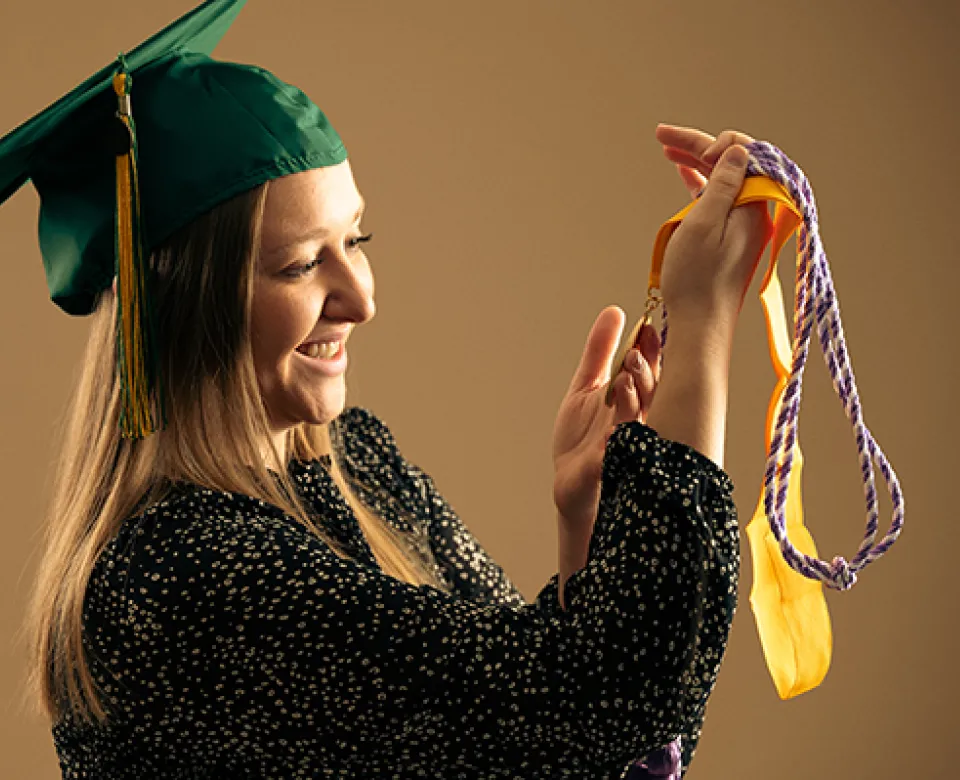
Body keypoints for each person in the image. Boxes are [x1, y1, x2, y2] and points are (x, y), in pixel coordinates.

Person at [5, 1, 769, 777]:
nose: (362, 299)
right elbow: (593, 706)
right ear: (184, 301)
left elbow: (561, 748)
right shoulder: (178, 578)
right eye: (302, 264)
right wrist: (701, 318)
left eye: (356, 241)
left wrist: (586, 532)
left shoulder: (356, 464)